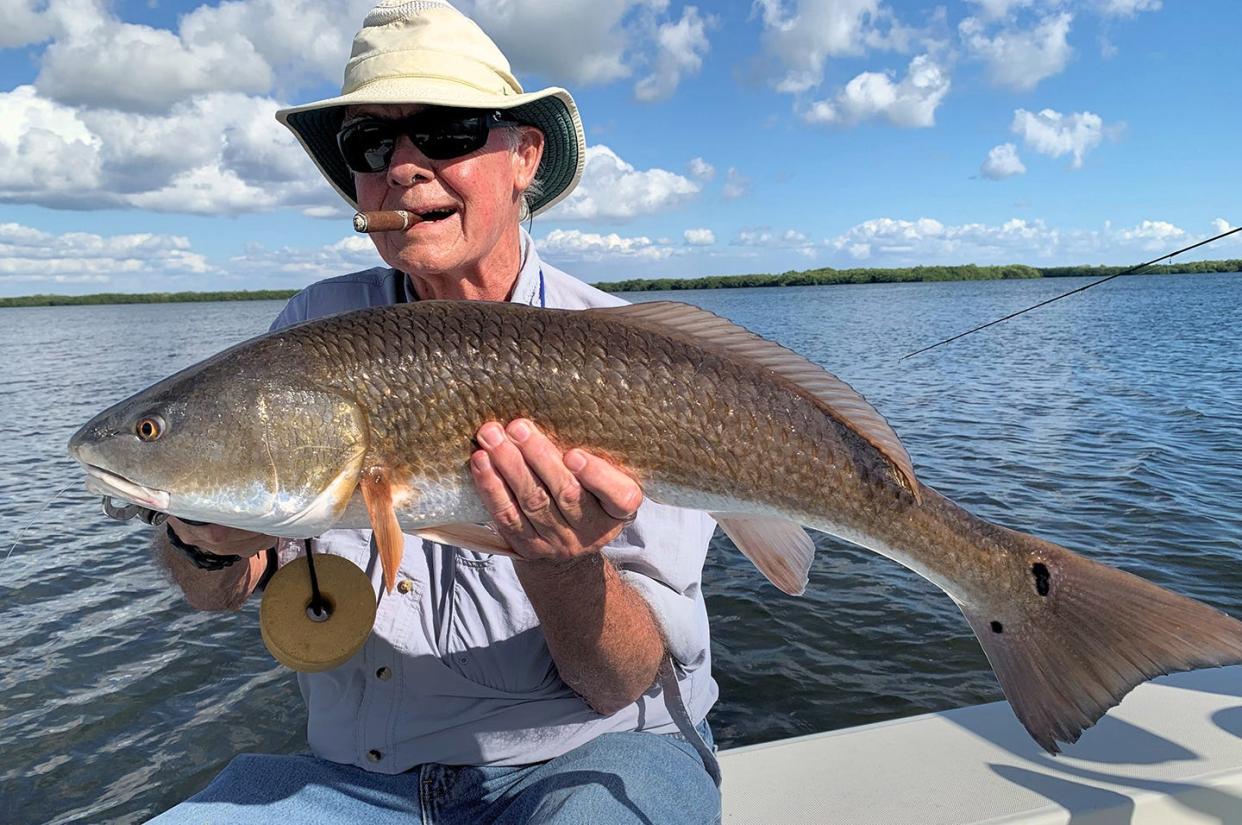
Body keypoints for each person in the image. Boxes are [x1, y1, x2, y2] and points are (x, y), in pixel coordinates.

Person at [149, 1, 720, 822]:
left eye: (447, 131)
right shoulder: (312, 331)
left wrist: (558, 559)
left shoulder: (634, 360)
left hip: (595, 750)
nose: (405, 166)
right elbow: (221, 591)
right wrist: (200, 541)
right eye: (371, 144)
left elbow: (619, 681)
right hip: (356, 778)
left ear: (526, 155)